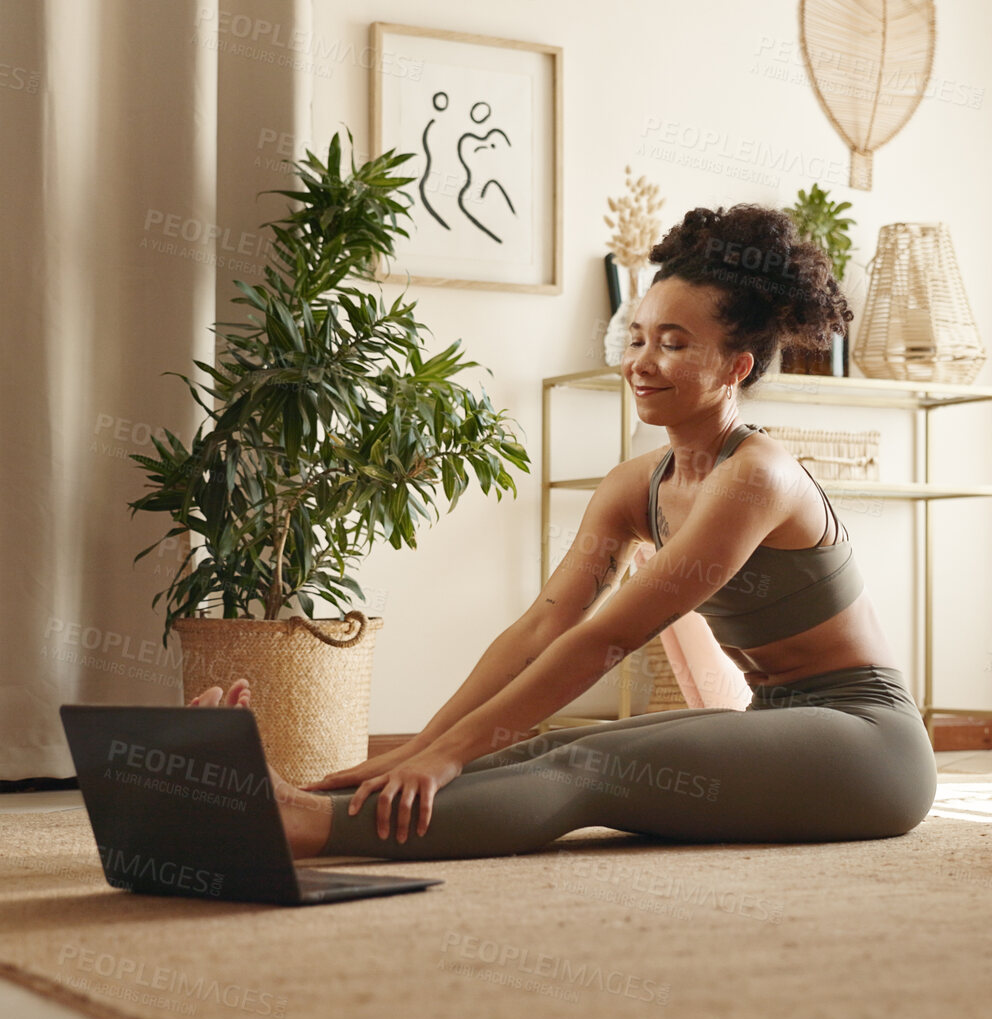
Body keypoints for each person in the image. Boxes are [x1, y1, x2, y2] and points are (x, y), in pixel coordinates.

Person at [189, 203, 938, 860]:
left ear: (734, 366)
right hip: (775, 725)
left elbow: (604, 636)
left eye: (674, 343)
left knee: (589, 767)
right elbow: (545, 625)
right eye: (638, 337)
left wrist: (445, 754)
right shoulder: (632, 487)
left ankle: (303, 826)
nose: (641, 362)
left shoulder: (755, 476)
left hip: (865, 743)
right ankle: (294, 805)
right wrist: (418, 748)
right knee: (549, 744)